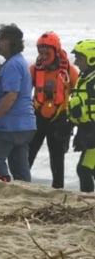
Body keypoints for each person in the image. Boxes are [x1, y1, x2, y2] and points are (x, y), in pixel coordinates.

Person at [0, 24, 36, 182]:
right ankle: (26, 191)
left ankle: (4, 186)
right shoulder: (19, 62)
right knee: (19, 166)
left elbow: (11, 95)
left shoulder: (13, 65)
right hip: (25, 125)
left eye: (1, 39)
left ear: (11, 42)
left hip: (11, 125)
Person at [27, 32, 78, 189]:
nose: (42, 54)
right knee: (27, 154)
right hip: (37, 117)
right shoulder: (34, 69)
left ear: (56, 50)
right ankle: (20, 184)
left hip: (60, 120)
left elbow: (79, 97)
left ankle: (58, 189)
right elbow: (23, 94)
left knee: (57, 159)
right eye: (40, 50)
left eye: (46, 51)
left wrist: (72, 123)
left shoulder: (70, 71)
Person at [68, 39, 95, 192]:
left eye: (79, 58)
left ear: (91, 58)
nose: (76, 62)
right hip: (87, 130)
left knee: (84, 169)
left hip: (93, 131)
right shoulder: (84, 78)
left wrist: (91, 131)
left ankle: (88, 203)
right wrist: (69, 124)